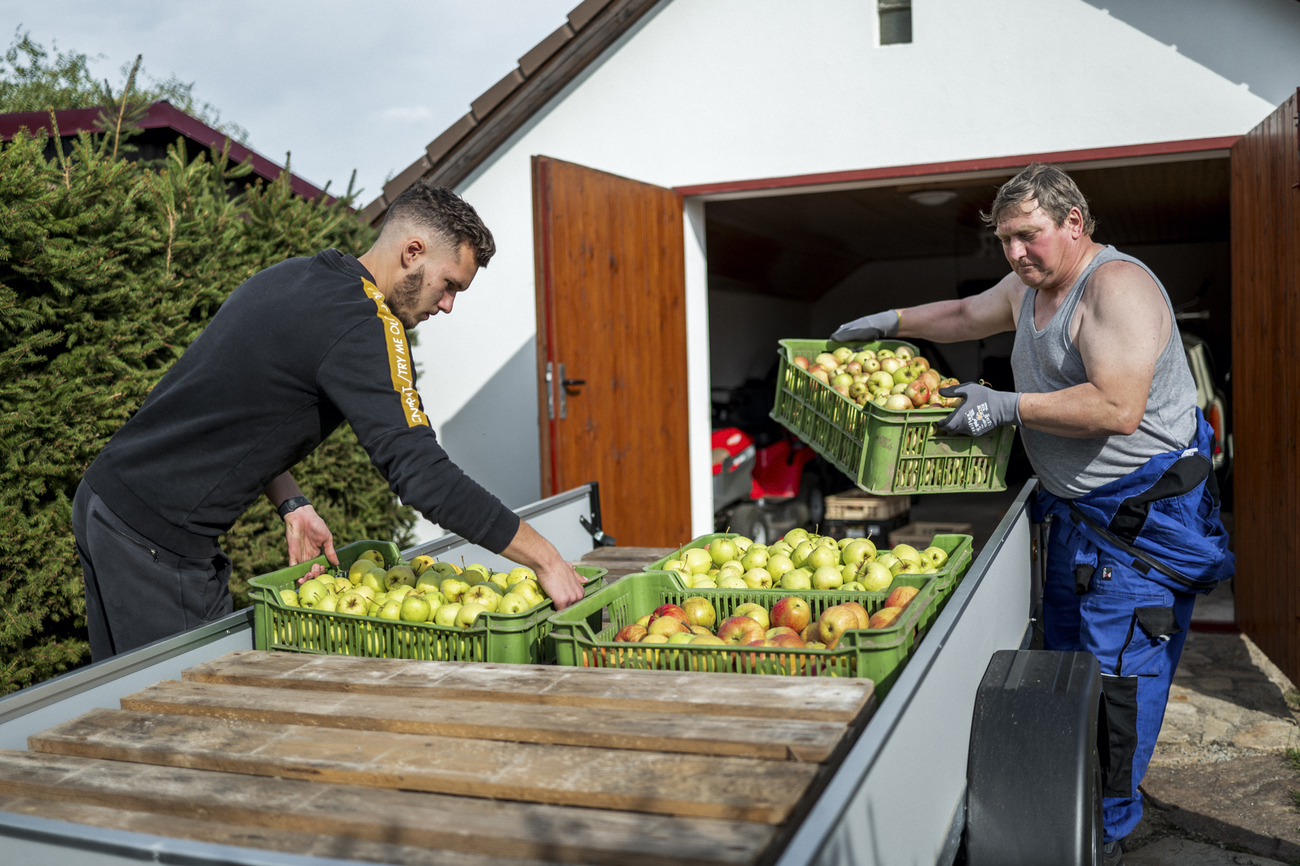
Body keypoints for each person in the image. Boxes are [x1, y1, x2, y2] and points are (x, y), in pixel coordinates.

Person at [833, 163, 1232, 865]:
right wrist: (888, 323)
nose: (1016, 253)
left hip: (1135, 527)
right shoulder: (1027, 287)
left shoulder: (1118, 288)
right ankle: (1062, 805)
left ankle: (1106, 829)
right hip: (1074, 521)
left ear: (1073, 224)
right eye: (1006, 241)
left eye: (1029, 237)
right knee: (1062, 668)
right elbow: (963, 316)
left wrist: (1008, 405)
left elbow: (1117, 406)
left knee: (1115, 688)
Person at [73, 181, 587, 661]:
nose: (448, 305)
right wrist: (544, 557)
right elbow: (422, 475)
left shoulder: (299, 276)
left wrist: (292, 503)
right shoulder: (365, 324)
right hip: (153, 543)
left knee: (118, 709)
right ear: (413, 252)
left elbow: (236, 408)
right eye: (449, 285)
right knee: (184, 728)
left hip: (105, 502)